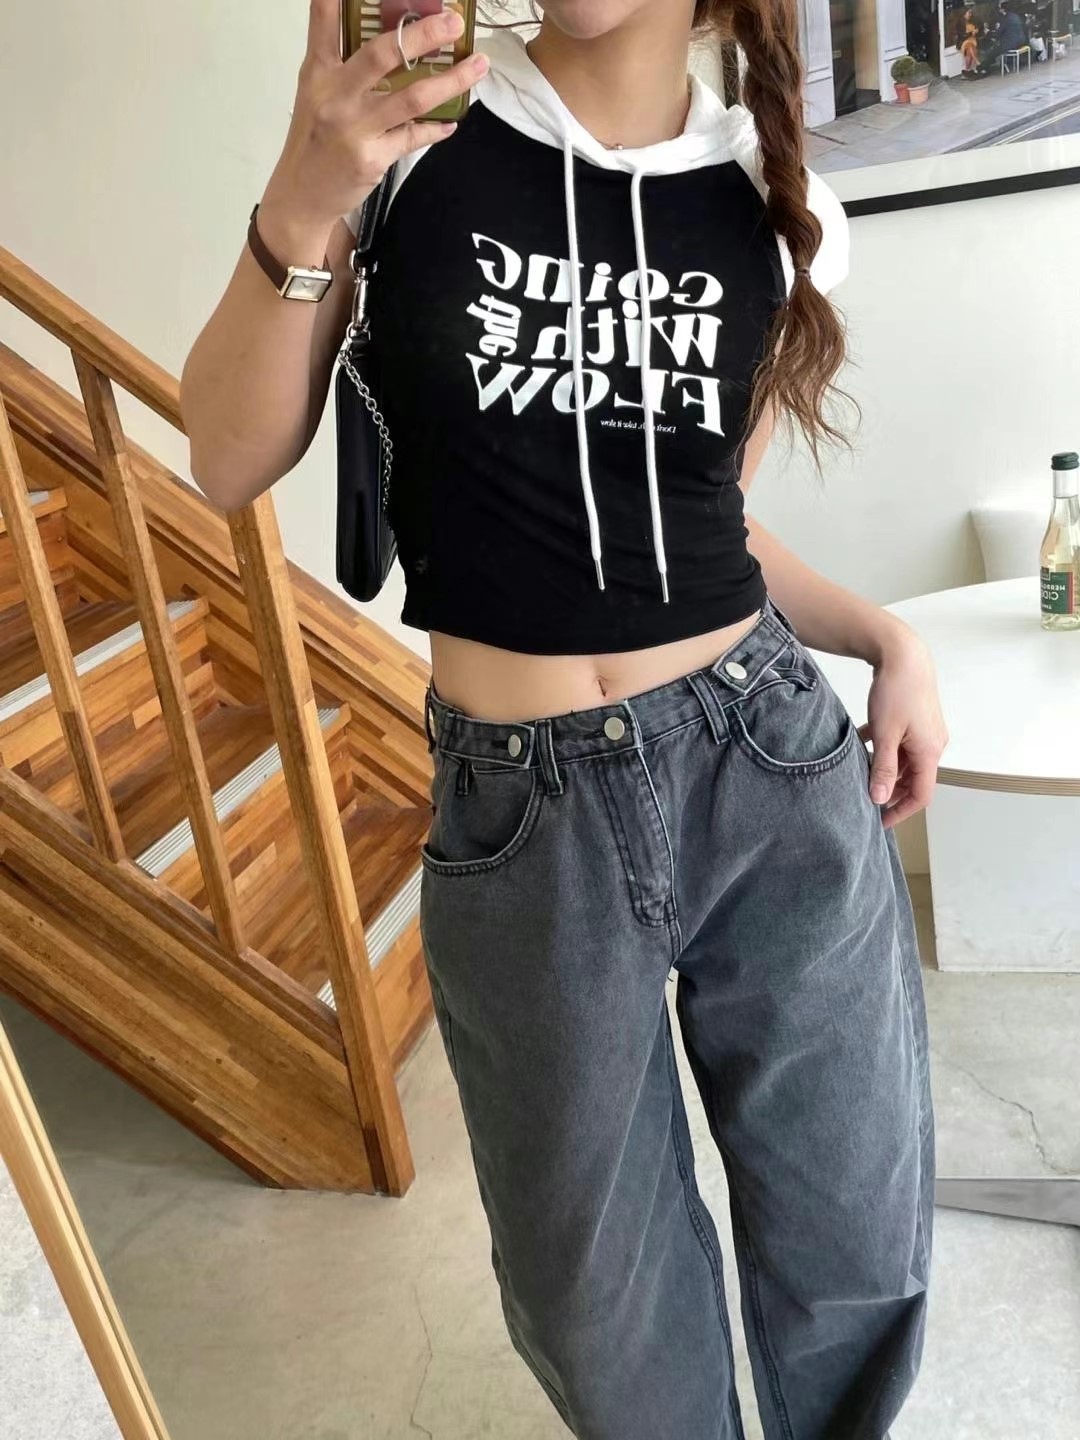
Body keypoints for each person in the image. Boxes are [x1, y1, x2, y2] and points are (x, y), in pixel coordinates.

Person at [180, 2, 946, 1436]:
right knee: (589, 1295)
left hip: (762, 757)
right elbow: (223, 463)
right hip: (519, 808)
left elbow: (712, 524)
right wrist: (305, 189)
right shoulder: (407, 152)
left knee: (853, 1229)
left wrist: (883, 635)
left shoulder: (777, 207)